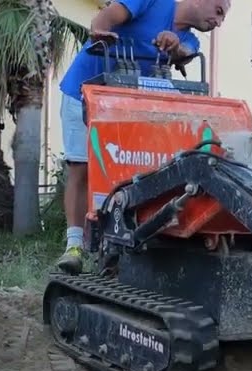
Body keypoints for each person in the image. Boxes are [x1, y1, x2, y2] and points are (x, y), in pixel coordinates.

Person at [53, 0, 231, 274]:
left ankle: (116, 250)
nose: (218, 22)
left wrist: (174, 45)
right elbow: (104, 19)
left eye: (223, 18)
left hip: (125, 107)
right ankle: (74, 247)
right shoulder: (150, 2)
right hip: (83, 91)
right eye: (218, 11)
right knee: (81, 167)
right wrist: (100, 31)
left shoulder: (190, 40)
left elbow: (185, 53)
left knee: (129, 174)